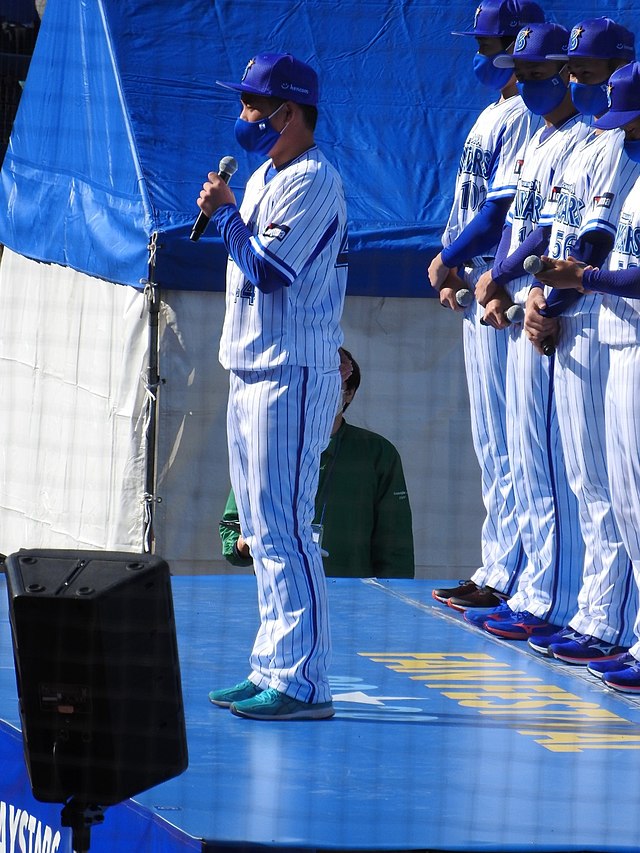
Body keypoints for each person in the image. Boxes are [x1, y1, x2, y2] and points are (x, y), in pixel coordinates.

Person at [197, 52, 348, 720]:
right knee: (259, 529)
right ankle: (271, 663)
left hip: (293, 369)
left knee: (286, 525)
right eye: (246, 104)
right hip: (251, 364)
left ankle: (304, 680)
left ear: (292, 112)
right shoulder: (264, 176)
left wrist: (227, 215)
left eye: (257, 105)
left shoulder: (314, 179)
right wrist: (230, 210)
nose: (246, 116)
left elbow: (269, 269)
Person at [465, 21, 593, 640]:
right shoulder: (540, 139)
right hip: (533, 304)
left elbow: (555, 238)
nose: (530, 82)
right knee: (524, 454)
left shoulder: (587, 139)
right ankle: (538, 590)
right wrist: (500, 281)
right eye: (528, 72)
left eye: (545, 72)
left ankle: (557, 598)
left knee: (565, 468)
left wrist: (512, 283)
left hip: (575, 320)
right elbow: (523, 225)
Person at [517, 18, 639, 665]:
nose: (575, 82)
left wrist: (555, 297)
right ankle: (597, 612)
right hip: (585, 319)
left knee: (608, 484)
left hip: (600, 322)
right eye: (573, 71)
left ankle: (607, 617)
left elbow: (591, 248)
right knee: (594, 477)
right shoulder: (590, 145)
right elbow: (553, 234)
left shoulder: (621, 149)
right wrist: (535, 296)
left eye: (586, 71)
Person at [429, 0, 546, 613]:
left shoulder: (527, 116)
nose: (479, 54)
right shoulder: (495, 112)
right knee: (493, 444)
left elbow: (506, 214)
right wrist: (454, 269)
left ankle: (522, 577)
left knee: (520, 445)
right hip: (478, 284)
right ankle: (501, 566)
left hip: (505, 294)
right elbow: (473, 203)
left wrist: (470, 267)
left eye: (489, 44)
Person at [220, 347, 415, 578]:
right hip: (281, 590)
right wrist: (248, 541)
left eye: (331, 386)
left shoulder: (377, 453)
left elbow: (396, 548)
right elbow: (231, 535)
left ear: (349, 393)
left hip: (356, 599)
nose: (319, 395)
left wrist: (392, 603)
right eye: (313, 385)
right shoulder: (268, 447)